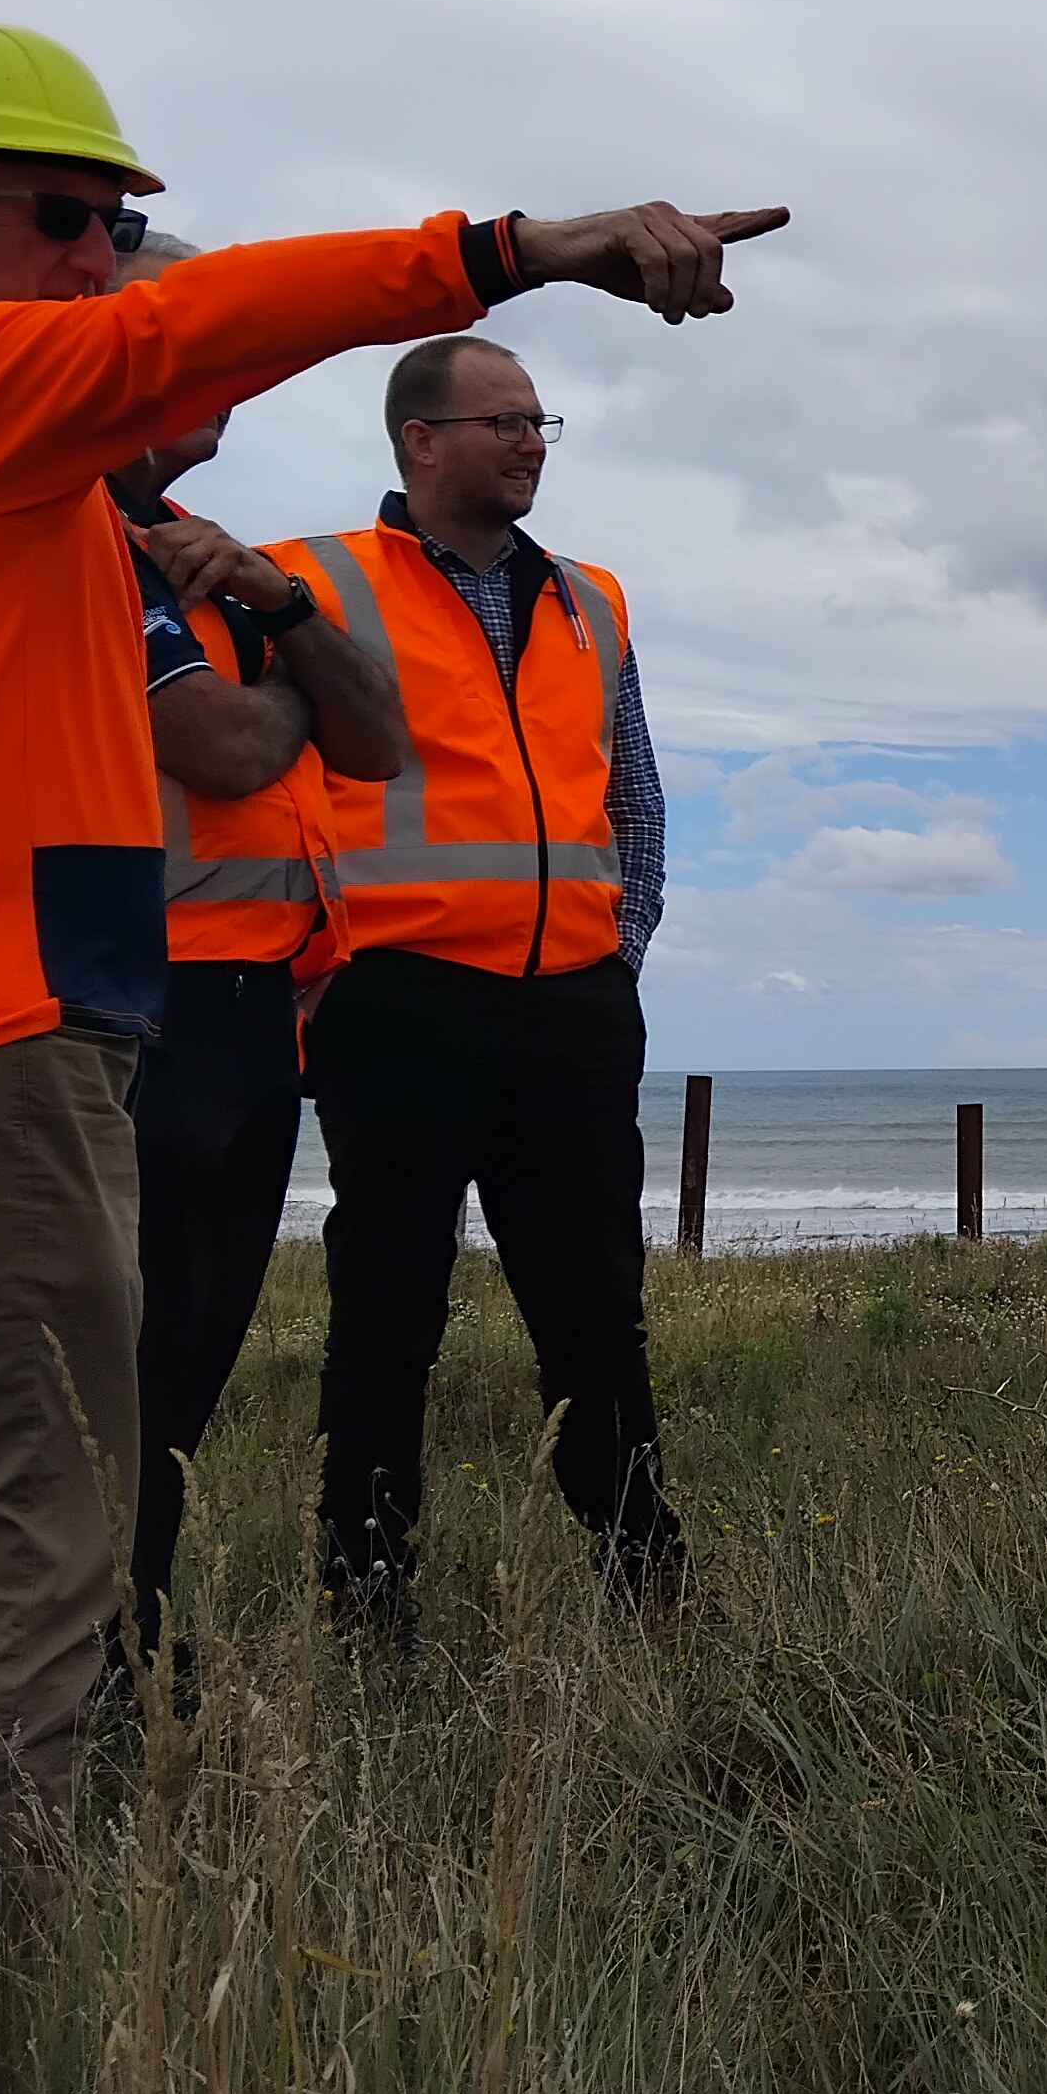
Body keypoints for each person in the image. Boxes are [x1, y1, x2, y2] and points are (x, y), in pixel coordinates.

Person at [0, 17, 783, 1931]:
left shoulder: (45, 496)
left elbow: (292, 726)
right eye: (70, 222)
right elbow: (187, 340)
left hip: (42, 1027)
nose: (103, 262)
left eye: (118, 226)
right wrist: (525, 245)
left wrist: (239, 587)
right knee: (43, 1527)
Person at [274, 334, 682, 1635]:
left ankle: (648, 1585)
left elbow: (632, 792)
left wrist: (620, 954)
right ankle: (367, 1599)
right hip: (398, 1002)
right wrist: (324, 969)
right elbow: (276, 786)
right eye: (503, 421)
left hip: (570, 1009)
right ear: (420, 441)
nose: (531, 441)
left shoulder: (592, 598)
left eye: (541, 422)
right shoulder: (312, 583)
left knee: (597, 1319)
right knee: (389, 1314)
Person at [109, 233, 410, 1690]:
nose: (223, 376)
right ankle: (101, 1647)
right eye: (192, 341)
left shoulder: (214, 561)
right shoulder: (91, 540)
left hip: (253, 1016)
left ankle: (136, 1631)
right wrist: (290, 685)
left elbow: (379, 740)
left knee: (188, 1373)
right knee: (121, 1368)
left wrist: (283, 612)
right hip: (135, 1007)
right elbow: (232, 751)